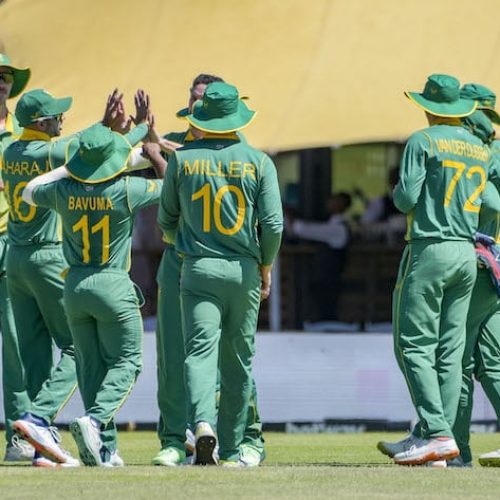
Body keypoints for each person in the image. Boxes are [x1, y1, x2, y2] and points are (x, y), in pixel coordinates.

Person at [21, 93, 164, 467]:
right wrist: (148, 140)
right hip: (112, 284)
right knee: (128, 362)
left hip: (75, 286)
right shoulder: (125, 190)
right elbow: (171, 186)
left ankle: (104, 448)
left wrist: (73, 166)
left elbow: (30, 191)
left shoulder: (63, 190)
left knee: (89, 367)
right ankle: (96, 421)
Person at [138, 74, 266, 467]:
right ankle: (176, 439)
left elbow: (171, 181)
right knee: (174, 356)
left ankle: (246, 435)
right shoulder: (181, 139)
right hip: (180, 264)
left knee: (232, 356)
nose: (198, 104)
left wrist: (158, 152)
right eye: (194, 97)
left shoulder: (235, 146)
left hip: (207, 259)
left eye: (204, 98)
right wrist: (152, 136)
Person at [378, 74, 499, 466]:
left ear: (429, 106)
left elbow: (405, 198)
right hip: (468, 252)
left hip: (430, 248)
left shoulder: (422, 140)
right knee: (452, 351)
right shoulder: (480, 149)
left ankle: (437, 433)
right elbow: (488, 203)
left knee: (412, 345)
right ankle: (441, 439)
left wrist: (402, 193)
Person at [3, 88, 81, 467]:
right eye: (57, 117)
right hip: (47, 256)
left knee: (34, 357)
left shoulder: (9, 152)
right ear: (41, 123)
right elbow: (95, 150)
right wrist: (128, 132)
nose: (62, 122)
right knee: (78, 347)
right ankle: (39, 418)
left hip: (15, 259)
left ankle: (40, 444)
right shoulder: (52, 152)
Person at [452, 83, 500, 467]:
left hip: (478, 265)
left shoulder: (477, 159)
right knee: (494, 361)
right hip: (494, 270)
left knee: (459, 362)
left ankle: (456, 449)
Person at [0, 53, 34, 462]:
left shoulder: (23, 137)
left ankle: (20, 436)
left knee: (18, 347)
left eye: (5, 76)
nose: (1, 82)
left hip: (12, 245)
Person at [289, 192, 351, 321]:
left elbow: (306, 230)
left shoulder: (338, 229)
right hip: (323, 280)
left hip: (330, 281)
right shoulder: (333, 225)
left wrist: (290, 221)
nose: (328, 203)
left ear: (341, 205)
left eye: (334, 200)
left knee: (327, 315)